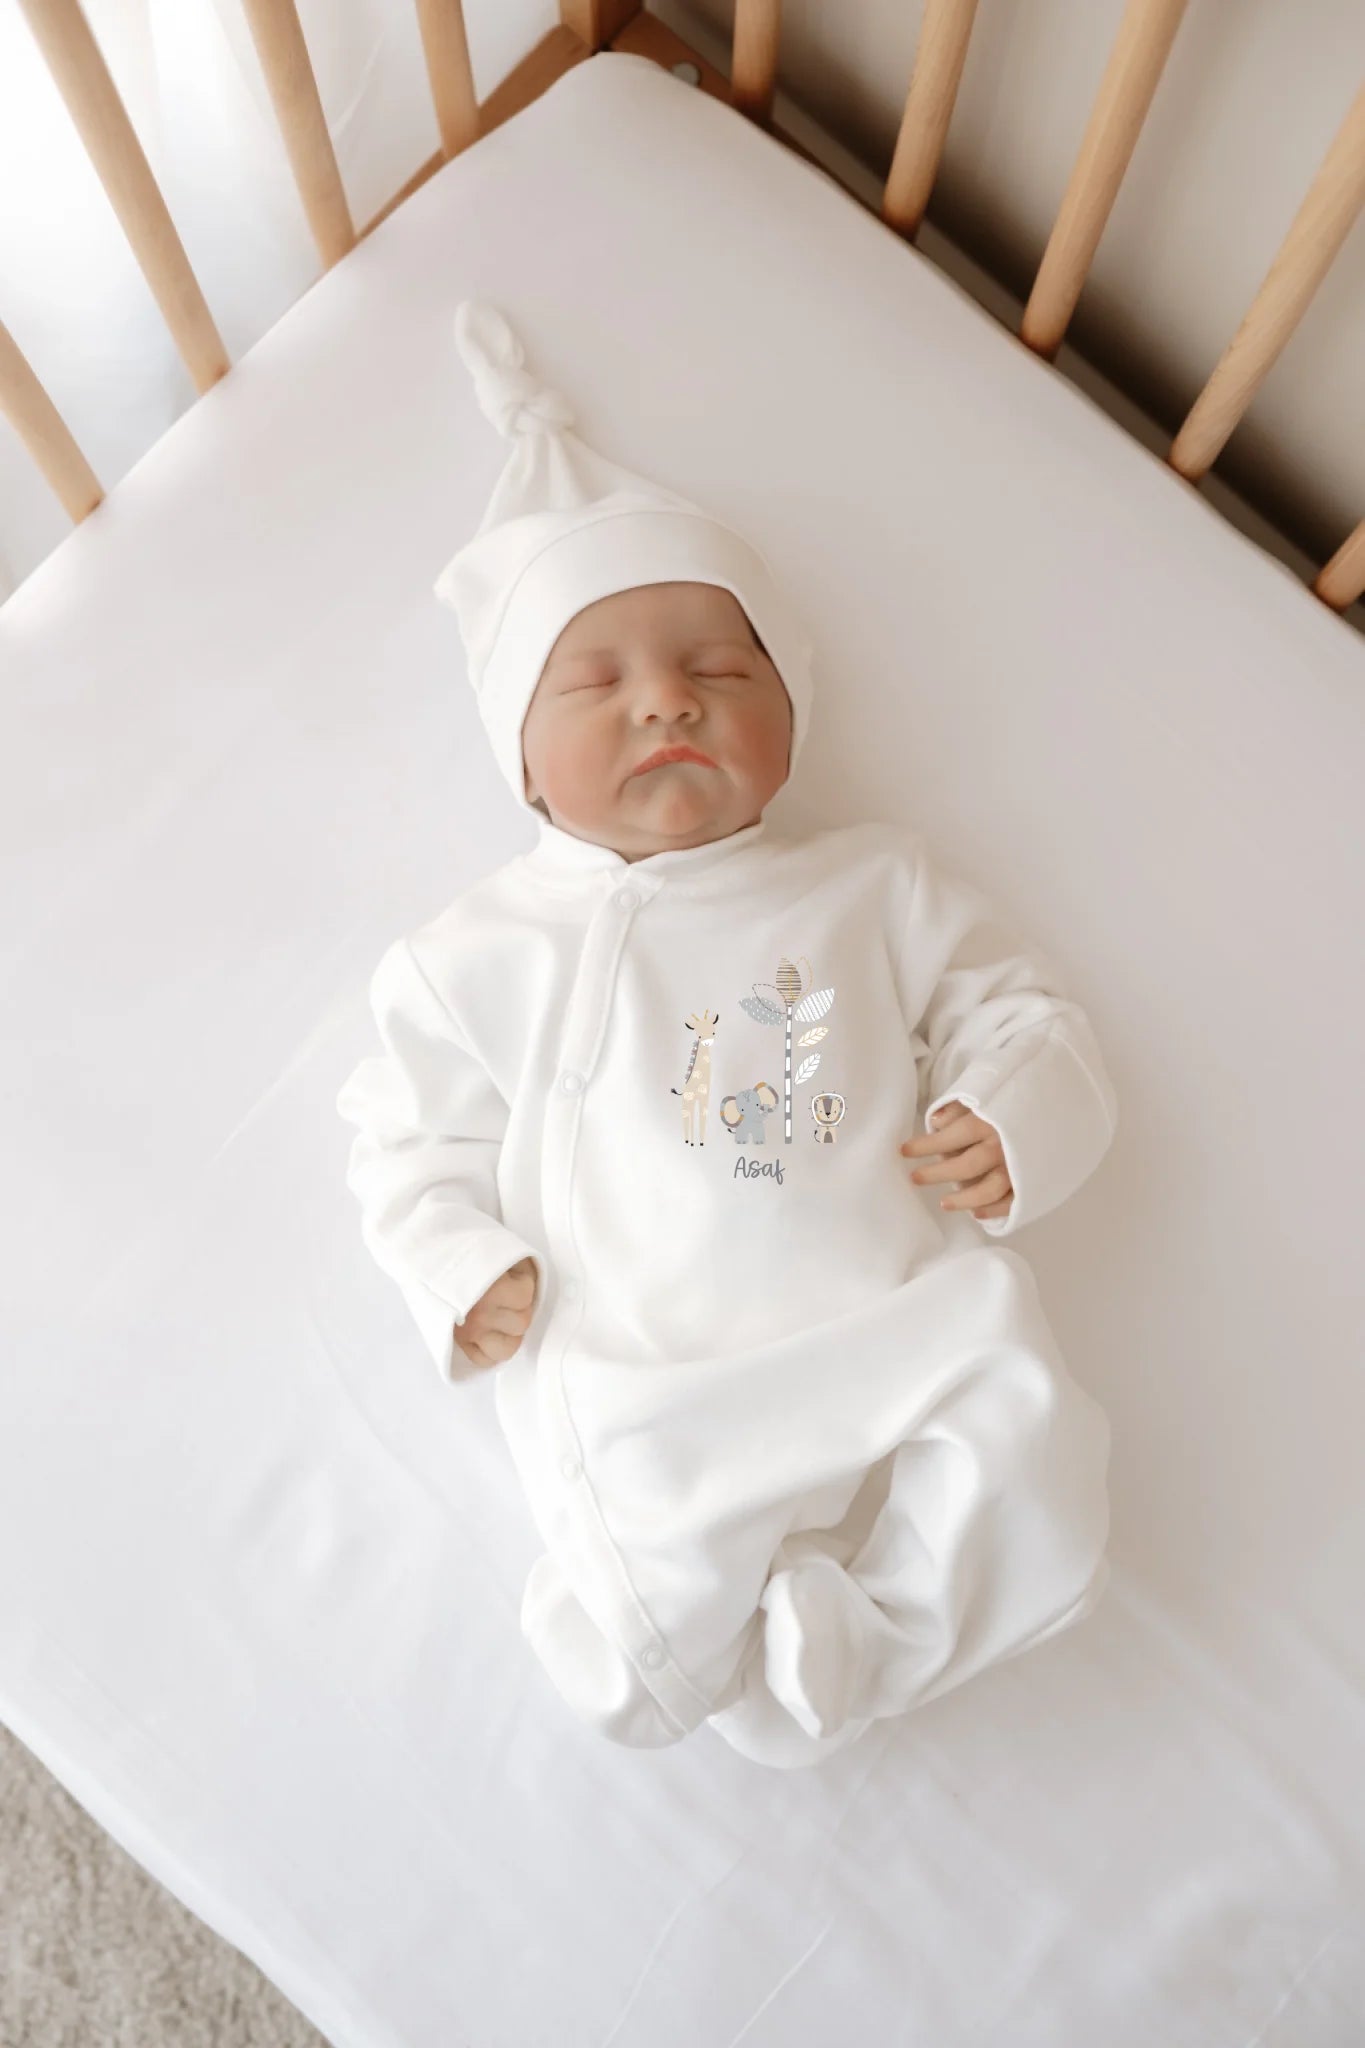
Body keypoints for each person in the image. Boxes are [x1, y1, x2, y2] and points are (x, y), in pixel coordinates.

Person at [335, 302, 1117, 1769]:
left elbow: (1024, 1011)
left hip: (901, 1312)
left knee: (1039, 1458)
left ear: (790, 716)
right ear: (521, 761)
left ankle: (869, 1640)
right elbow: (399, 1142)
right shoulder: (478, 953)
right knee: (637, 1652)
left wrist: (1011, 1111)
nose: (666, 700)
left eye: (721, 668)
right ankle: (694, 1641)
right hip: (658, 1358)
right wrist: (454, 1265)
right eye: (596, 683)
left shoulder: (872, 883)